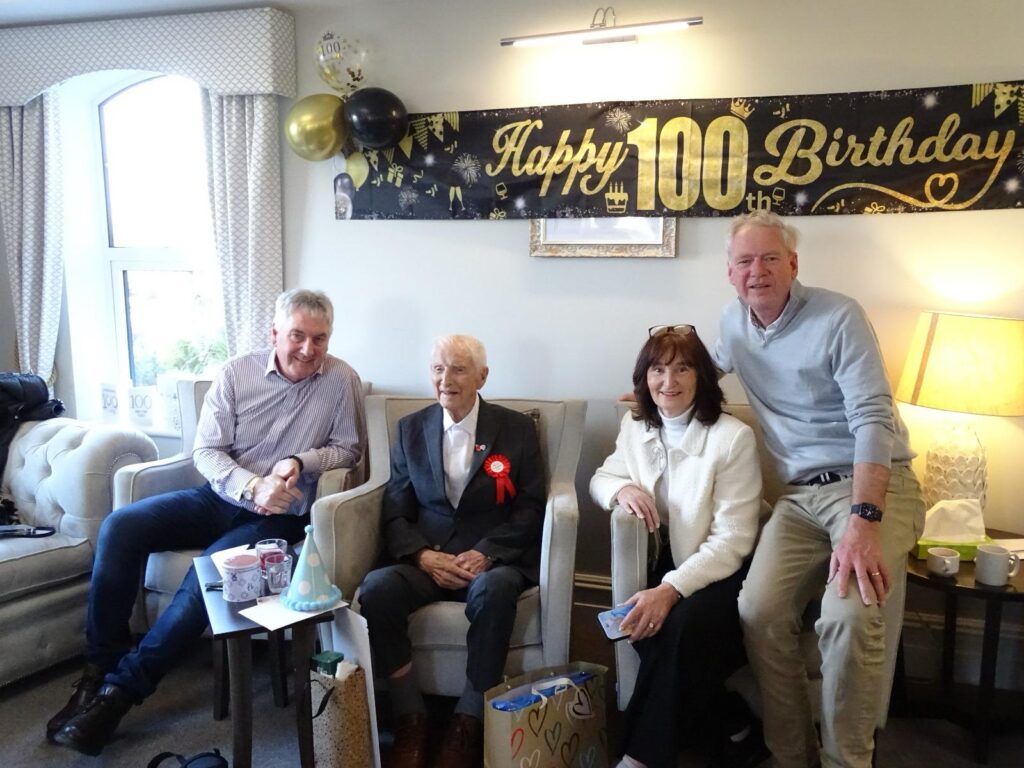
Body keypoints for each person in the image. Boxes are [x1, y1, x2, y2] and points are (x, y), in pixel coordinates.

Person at [47, 288, 366, 756]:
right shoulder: (237, 372)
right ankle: (96, 675)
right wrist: (251, 485)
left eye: (320, 339)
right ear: (274, 333)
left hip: (280, 518)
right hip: (220, 497)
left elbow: (349, 448)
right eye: (297, 336)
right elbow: (206, 450)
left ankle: (120, 694)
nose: (308, 349)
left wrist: (300, 460)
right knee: (120, 527)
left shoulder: (341, 380)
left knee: (209, 574)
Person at [715, 212, 925, 768]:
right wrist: (644, 395)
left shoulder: (839, 316)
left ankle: (845, 761)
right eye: (744, 261)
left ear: (793, 264)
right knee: (758, 610)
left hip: (875, 488)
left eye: (768, 258)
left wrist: (864, 519)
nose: (756, 271)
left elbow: (873, 417)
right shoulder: (733, 326)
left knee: (848, 617)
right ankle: (791, 756)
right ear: (730, 273)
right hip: (800, 499)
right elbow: (692, 369)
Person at [358, 335, 545, 768]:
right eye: (439, 369)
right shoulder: (410, 428)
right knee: (377, 588)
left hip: (493, 560)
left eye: (459, 369)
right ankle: (410, 717)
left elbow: (532, 504)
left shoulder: (516, 429)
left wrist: (487, 553)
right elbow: (395, 512)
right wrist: (423, 555)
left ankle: (467, 720)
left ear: (482, 376)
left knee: (495, 594)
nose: (446, 379)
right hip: (432, 558)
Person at [591, 325, 766, 768]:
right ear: (644, 377)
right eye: (658, 369)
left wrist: (669, 589)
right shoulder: (637, 427)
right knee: (638, 625)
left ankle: (637, 758)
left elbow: (733, 540)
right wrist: (621, 492)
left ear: (701, 377)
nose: (669, 381)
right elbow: (603, 477)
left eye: (682, 368)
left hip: (731, 567)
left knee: (677, 631)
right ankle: (733, 722)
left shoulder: (731, 437)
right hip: (676, 556)